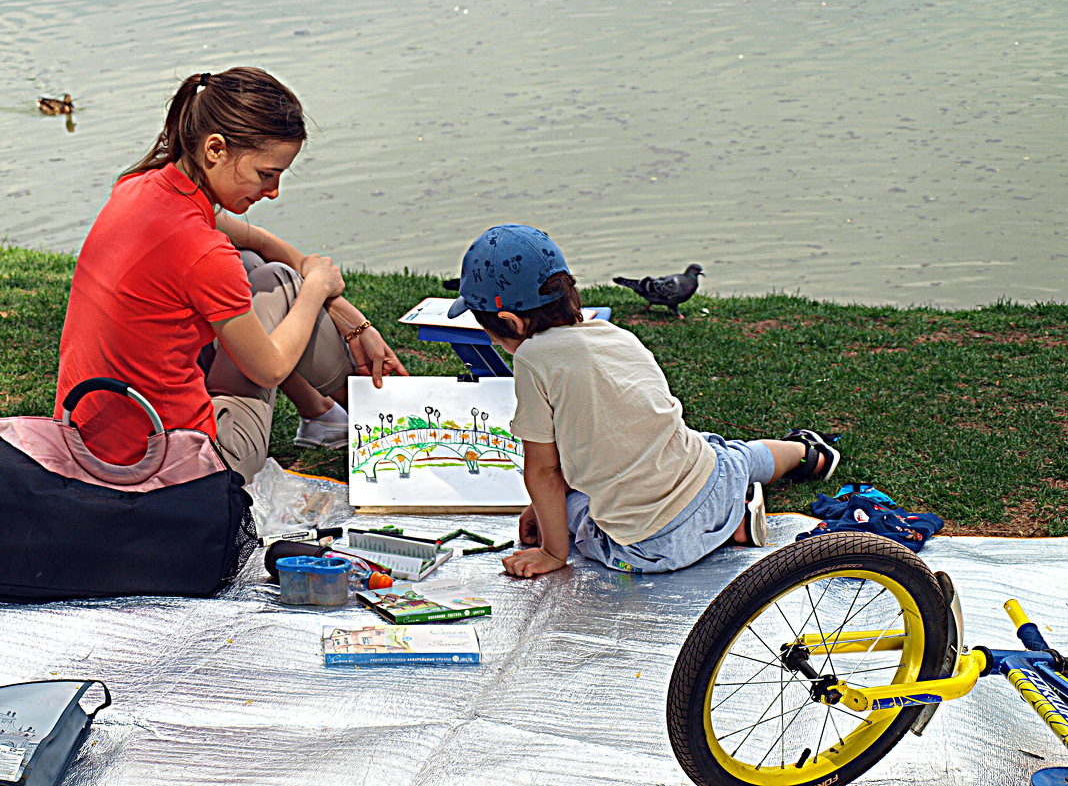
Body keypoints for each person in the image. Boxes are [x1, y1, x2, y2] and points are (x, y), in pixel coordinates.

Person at [54, 67, 408, 484]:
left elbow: (254, 238)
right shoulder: (202, 252)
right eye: (267, 174)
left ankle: (327, 415)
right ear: (216, 149)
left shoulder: (139, 188)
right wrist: (316, 289)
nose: (274, 191)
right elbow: (270, 369)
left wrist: (353, 322)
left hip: (91, 441)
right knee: (278, 281)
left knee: (256, 267)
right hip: (183, 466)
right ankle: (384, 420)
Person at [445, 224, 841, 577]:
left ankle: (728, 527)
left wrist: (552, 549)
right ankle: (808, 455)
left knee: (577, 516)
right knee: (730, 454)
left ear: (511, 324)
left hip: (653, 545)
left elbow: (545, 472)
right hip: (710, 479)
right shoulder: (615, 334)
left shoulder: (533, 359)